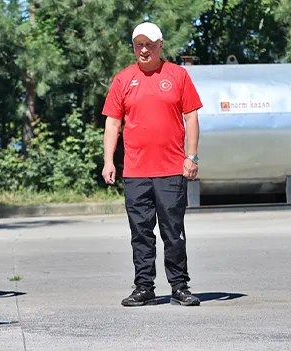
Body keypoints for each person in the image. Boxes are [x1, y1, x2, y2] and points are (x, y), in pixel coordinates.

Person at [101, 22, 202, 307]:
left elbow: (191, 117)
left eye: (149, 44)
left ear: (160, 45)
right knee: (141, 234)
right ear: (134, 47)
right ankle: (144, 287)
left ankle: (179, 287)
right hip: (135, 172)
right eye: (138, 45)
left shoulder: (178, 75)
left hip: (171, 169)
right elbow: (113, 122)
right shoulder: (123, 79)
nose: (144, 50)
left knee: (173, 231)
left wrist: (191, 157)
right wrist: (109, 160)